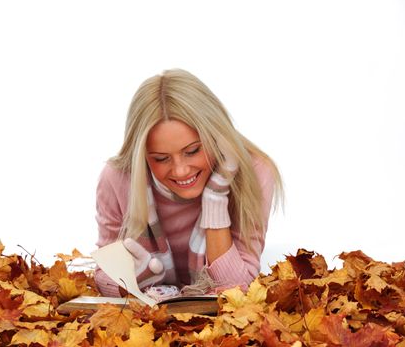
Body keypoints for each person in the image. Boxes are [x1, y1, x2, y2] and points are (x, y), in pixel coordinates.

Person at [94, 69, 283, 297]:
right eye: (161, 158)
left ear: (215, 136)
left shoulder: (255, 172)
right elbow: (103, 278)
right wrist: (134, 280)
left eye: (192, 151)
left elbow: (237, 289)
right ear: (142, 155)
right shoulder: (118, 179)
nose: (181, 170)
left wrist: (216, 196)